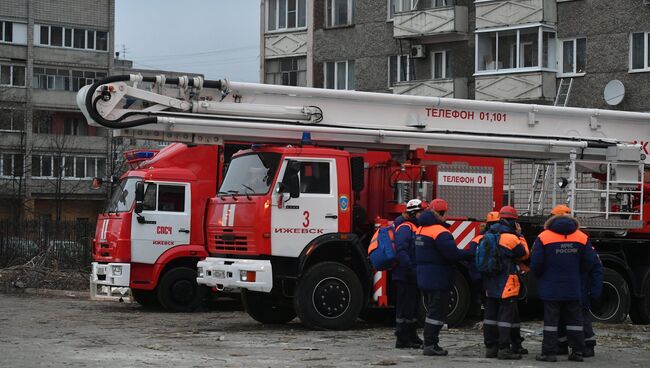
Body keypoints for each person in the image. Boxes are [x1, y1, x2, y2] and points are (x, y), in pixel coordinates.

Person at [531, 204, 599, 362]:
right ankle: (577, 352)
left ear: (552, 217)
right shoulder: (581, 237)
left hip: (551, 287)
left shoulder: (543, 236)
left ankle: (549, 353)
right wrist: (576, 273)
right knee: (575, 321)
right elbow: (589, 262)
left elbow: (536, 263)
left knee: (551, 322)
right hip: (573, 286)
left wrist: (542, 276)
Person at [415, 198, 472, 356]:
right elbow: (452, 254)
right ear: (441, 213)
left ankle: (428, 342)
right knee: (437, 313)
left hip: (424, 277)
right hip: (438, 278)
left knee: (431, 310)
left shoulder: (420, 229)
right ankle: (430, 344)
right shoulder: (440, 232)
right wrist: (471, 251)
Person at [553, 205, 604, 358]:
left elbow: (595, 266)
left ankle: (588, 344)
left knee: (580, 316)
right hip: (572, 285)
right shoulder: (576, 238)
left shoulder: (580, 238)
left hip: (577, 286)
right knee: (565, 316)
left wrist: (595, 291)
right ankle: (563, 344)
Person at [480, 206, 529, 360]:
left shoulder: (488, 235)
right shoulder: (511, 238)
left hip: (490, 280)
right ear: (513, 222)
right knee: (505, 316)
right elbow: (524, 254)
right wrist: (520, 235)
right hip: (506, 281)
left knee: (490, 314)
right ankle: (504, 348)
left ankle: (491, 348)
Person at [393, 199, 426, 349]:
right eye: (421, 212)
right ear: (414, 213)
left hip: (411, 273)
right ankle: (402, 338)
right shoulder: (405, 227)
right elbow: (401, 250)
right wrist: (411, 269)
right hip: (405, 274)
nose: (423, 215)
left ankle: (412, 335)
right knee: (405, 307)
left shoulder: (412, 226)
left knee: (412, 307)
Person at [466, 211, 501, 314]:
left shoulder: (476, 239)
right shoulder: (501, 238)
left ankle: (478, 313)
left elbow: (471, 256)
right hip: (493, 275)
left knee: (480, 296)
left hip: (478, 274)